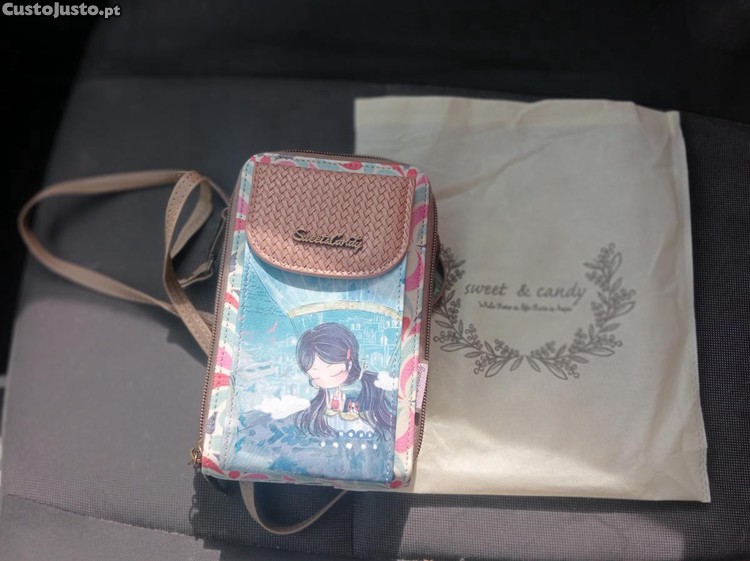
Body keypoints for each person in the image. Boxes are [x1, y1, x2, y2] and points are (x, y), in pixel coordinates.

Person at [294, 322, 395, 440]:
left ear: (349, 362)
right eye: (316, 377)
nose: (327, 380)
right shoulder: (316, 406)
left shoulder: (373, 388)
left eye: (334, 373)